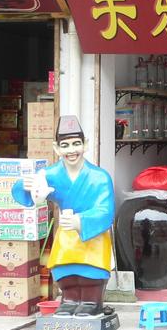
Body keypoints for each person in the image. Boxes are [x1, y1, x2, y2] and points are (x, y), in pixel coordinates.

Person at [12, 115, 115, 318]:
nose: (71, 150)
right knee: (65, 269)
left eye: (76, 144)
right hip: (67, 233)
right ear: (57, 148)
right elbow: (31, 186)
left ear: (85, 145)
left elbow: (106, 210)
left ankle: (92, 302)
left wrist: (80, 221)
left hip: (91, 232)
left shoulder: (100, 177)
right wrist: (26, 186)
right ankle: (69, 300)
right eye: (65, 145)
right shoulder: (52, 174)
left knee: (91, 270)